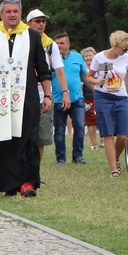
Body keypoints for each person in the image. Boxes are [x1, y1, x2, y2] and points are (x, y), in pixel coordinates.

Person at [0, 0, 52, 197]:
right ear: (1, 14)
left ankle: (27, 182)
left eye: (16, 11)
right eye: (8, 11)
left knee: (27, 138)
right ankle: (9, 182)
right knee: (4, 140)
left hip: (25, 97)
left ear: (21, 14)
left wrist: (48, 95)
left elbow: (43, 69)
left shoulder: (33, 36)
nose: (12, 15)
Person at [25, 9, 71, 164]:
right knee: (22, 135)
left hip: (43, 95)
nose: (41, 24)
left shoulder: (50, 45)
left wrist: (65, 92)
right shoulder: (20, 41)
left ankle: (34, 172)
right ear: (28, 23)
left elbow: (59, 70)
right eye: (37, 21)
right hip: (23, 95)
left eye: (43, 21)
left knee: (41, 136)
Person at [86, 31, 128, 178]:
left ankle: (116, 157)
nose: (125, 52)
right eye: (124, 49)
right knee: (108, 135)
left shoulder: (126, 59)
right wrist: (98, 82)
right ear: (115, 45)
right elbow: (89, 77)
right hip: (103, 97)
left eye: (127, 49)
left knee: (123, 136)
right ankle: (114, 169)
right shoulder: (100, 58)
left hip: (121, 98)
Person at [52, 32, 88, 165]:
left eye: (62, 43)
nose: (59, 46)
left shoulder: (78, 57)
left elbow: (85, 75)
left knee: (79, 126)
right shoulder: (52, 59)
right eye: (57, 43)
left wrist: (96, 90)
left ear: (68, 44)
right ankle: (60, 158)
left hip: (77, 98)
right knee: (60, 129)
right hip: (58, 99)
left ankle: (77, 156)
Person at [81, 46, 101, 150]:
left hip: (102, 96)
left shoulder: (100, 66)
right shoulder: (82, 69)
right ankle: (94, 145)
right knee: (91, 121)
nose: (88, 58)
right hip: (88, 98)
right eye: (86, 56)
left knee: (102, 120)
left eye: (90, 55)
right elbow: (80, 85)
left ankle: (103, 142)